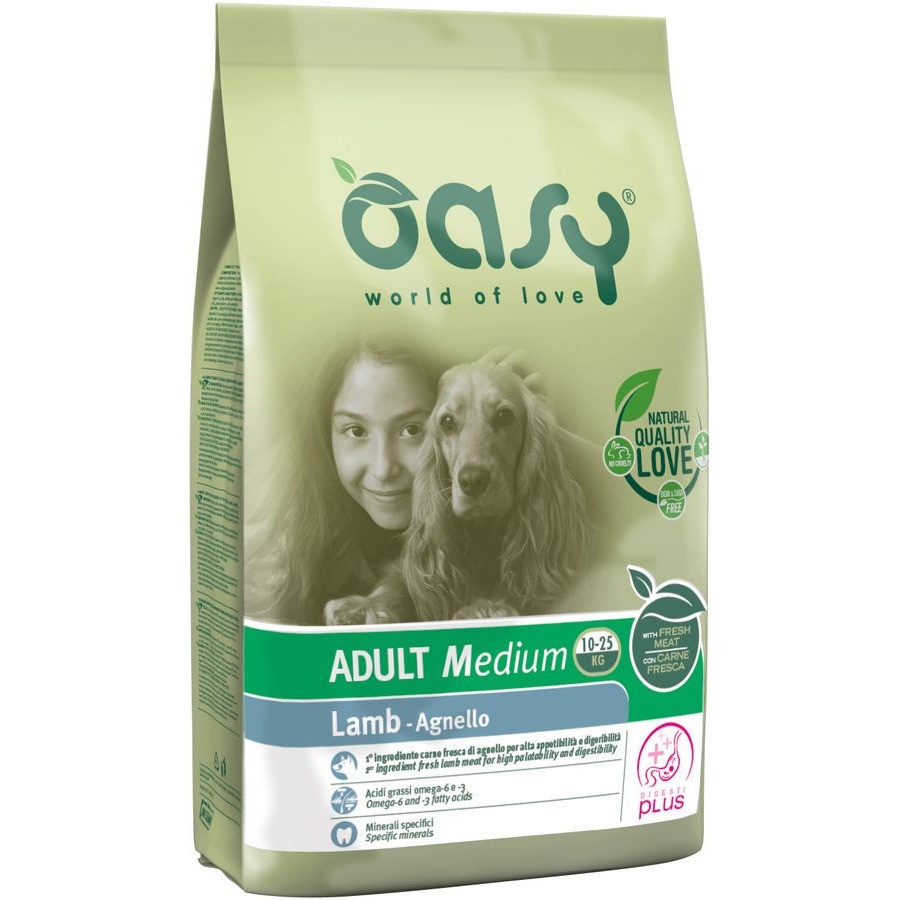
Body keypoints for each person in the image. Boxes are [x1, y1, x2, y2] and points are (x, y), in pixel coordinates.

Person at [247, 338, 442, 625]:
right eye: (356, 431)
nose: (383, 468)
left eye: (412, 430)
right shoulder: (278, 555)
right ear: (326, 435)